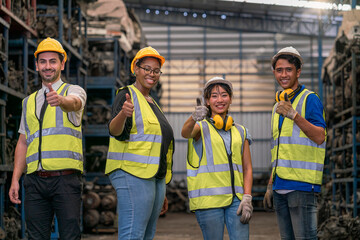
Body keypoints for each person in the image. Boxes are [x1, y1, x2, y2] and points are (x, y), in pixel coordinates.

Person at [8, 37, 87, 239]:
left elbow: (75, 103)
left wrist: (61, 101)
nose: (48, 66)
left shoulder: (73, 91)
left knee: (70, 235)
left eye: (53, 61)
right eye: (43, 61)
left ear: (62, 63)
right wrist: (15, 179)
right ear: (36, 65)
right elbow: (23, 142)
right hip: (34, 182)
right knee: (35, 236)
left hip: (66, 180)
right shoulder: (29, 101)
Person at [105, 46, 174, 239]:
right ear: (136, 68)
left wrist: (161, 189)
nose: (152, 74)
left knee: (146, 235)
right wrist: (123, 114)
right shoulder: (126, 94)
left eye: (156, 70)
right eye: (147, 68)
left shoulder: (152, 102)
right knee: (132, 234)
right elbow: (114, 131)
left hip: (153, 178)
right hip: (132, 173)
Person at [263, 46, 326, 239]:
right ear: (274, 72)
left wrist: (294, 115)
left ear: (298, 72)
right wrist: (270, 183)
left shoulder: (310, 99)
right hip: (280, 186)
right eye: (279, 70)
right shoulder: (277, 106)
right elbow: (280, 149)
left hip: (302, 186)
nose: (283, 74)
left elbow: (320, 136)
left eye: (288, 69)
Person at [181, 77, 253, 240]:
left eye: (224, 95)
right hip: (209, 202)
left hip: (237, 201)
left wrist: (247, 197)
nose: (220, 100)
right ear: (207, 101)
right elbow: (185, 133)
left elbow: (247, 167)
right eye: (214, 96)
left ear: (231, 98)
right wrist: (194, 117)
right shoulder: (201, 127)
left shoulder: (241, 132)